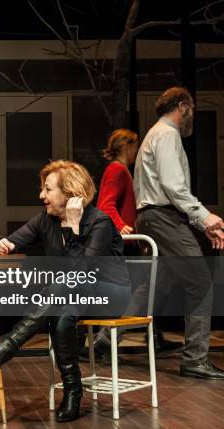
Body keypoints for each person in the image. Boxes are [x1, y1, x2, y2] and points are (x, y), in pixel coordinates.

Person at [0, 160, 131, 422]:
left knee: (65, 284)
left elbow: (82, 271)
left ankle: (9, 345)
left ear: (70, 192)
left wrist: (72, 228)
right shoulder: (45, 221)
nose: (41, 196)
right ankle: (73, 391)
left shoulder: (99, 222)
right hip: (68, 295)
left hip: (110, 294)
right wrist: (3, 245)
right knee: (61, 320)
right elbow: (8, 242)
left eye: (47, 190)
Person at [131, 86, 224, 379]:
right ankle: (195, 358)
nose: (192, 117)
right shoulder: (167, 134)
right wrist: (205, 217)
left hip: (151, 218)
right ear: (182, 106)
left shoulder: (154, 134)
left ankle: (104, 342)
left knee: (155, 285)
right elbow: (173, 187)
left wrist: (197, 223)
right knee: (200, 283)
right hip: (163, 218)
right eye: (192, 111)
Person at [95, 129, 182, 356]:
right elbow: (106, 204)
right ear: (127, 146)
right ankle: (106, 339)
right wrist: (120, 225)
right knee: (143, 289)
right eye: (135, 147)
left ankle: (153, 335)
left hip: (129, 241)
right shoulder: (117, 170)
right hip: (124, 242)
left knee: (151, 286)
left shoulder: (122, 170)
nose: (137, 152)